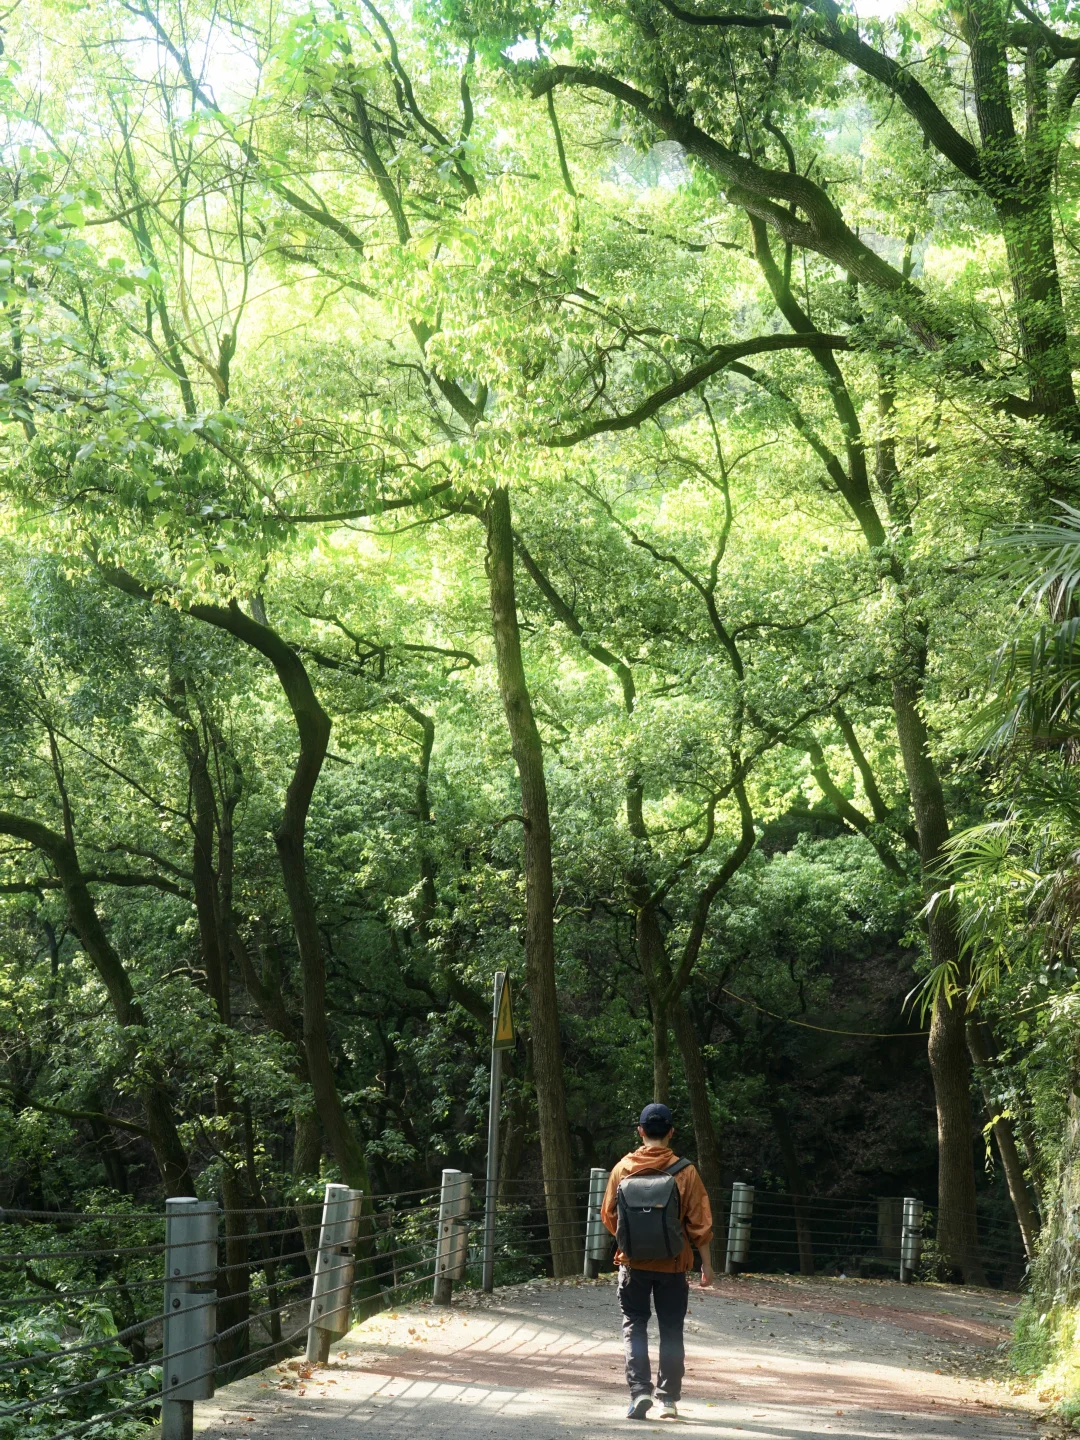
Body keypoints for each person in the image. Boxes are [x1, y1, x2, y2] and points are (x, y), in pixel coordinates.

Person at [601, 1102, 714, 1421]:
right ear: (671, 1132)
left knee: (635, 1324)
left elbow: (609, 1215)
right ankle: (668, 1400)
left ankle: (639, 1393)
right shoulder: (685, 1171)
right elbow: (700, 1223)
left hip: (633, 1264)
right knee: (671, 1328)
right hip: (675, 1264)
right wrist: (706, 1264)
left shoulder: (623, 1168)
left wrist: (631, 1242)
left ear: (640, 1131)